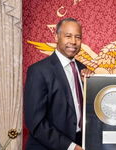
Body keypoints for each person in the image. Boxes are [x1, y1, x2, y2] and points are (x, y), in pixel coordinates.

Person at [24, 18, 92, 150]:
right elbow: (35, 123)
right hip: (50, 146)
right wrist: (71, 147)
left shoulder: (83, 69)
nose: (73, 41)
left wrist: (92, 85)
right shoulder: (38, 71)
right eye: (68, 36)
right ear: (56, 36)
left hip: (80, 142)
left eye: (78, 37)